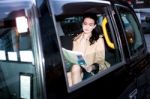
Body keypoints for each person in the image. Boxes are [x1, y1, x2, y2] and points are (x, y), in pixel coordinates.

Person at [67, 13, 110, 87]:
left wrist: (91, 67)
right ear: (82, 24)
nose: (87, 27)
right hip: (79, 66)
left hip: (92, 68)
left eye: (90, 25)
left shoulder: (99, 40)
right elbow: (74, 55)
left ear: (94, 26)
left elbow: (100, 61)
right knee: (68, 74)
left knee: (75, 68)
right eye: (85, 23)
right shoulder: (76, 39)